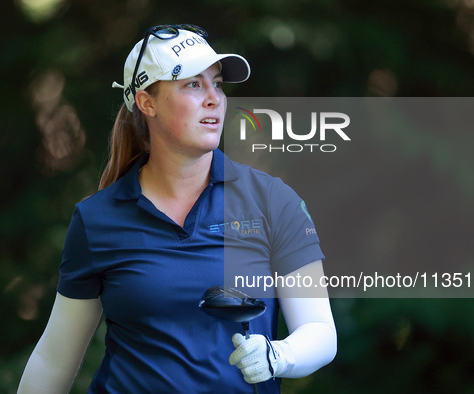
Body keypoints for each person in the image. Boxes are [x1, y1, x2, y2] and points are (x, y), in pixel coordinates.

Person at [18, 24, 336, 393]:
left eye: (217, 83)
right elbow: (53, 359)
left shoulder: (272, 201)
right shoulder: (97, 219)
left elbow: (320, 331)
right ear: (146, 103)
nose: (214, 98)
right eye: (193, 85)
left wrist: (277, 356)